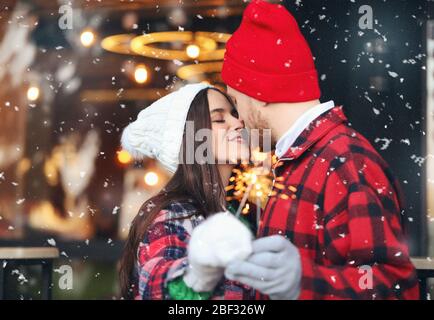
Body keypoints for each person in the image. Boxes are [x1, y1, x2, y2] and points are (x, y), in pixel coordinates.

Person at [222, 0, 419, 299]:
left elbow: (392, 286)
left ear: (258, 93)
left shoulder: (345, 162)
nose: (239, 119)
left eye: (236, 102)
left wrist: (302, 282)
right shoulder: (299, 161)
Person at [119, 83, 254, 300]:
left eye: (235, 114)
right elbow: (160, 292)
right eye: (219, 119)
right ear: (192, 139)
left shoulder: (245, 211)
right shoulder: (172, 214)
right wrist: (197, 276)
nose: (238, 123)